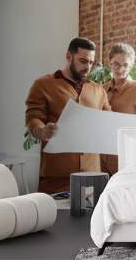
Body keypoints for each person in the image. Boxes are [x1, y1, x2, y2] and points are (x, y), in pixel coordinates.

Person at [25, 37, 111, 193]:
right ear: (68, 57)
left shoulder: (98, 90)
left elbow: (107, 122)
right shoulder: (43, 85)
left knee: (90, 218)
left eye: (91, 62)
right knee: (55, 217)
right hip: (57, 176)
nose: (88, 67)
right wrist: (42, 131)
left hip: (92, 176)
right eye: (83, 61)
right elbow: (33, 118)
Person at [100, 43, 136, 176]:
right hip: (102, 156)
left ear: (131, 66)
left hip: (126, 156)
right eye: (116, 64)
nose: (120, 69)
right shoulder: (102, 89)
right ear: (110, 63)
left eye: (126, 65)